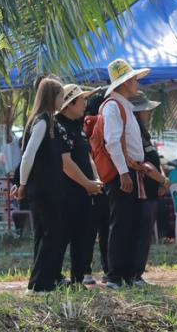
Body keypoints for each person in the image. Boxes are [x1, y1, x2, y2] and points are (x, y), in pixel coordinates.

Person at [16, 77, 84, 292]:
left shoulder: (44, 120)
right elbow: (28, 156)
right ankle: (38, 285)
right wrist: (22, 184)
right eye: (60, 96)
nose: (62, 100)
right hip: (44, 189)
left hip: (46, 189)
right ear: (51, 97)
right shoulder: (43, 121)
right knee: (52, 234)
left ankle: (43, 281)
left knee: (44, 235)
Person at [96, 58, 151, 289]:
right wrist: (123, 173)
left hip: (130, 170)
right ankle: (115, 274)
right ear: (125, 82)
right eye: (133, 80)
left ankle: (128, 272)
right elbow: (112, 143)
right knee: (120, 224)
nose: (137, 83)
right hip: (123, 172)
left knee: (131, 223)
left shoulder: (122, 105)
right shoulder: (112, 106)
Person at [56, 84, 101, 286]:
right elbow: (66, 163)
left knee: (83, 236)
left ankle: (78, 277)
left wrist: (95, 180)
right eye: (82, 100)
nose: (86, 104)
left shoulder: (79, 126)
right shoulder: (59, 126)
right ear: (69, 103)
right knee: (62, 237)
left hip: (85, 191)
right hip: (67, 192)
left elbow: (87, 157)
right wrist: (87, 183)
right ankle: (54, 277)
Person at [130, 93, 170, 285]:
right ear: (138, 112)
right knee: (140, 233)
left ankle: (138, 272)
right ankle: (134, 273)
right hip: (143, 191)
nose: (150, 113)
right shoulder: (136, 134)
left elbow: (155, 160)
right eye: (147, 110)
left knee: (145, 234)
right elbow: (144, 164)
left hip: (152, 191)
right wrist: (162, 180)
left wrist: (162, 180)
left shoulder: (143, 133)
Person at [83, 90, 111, 281]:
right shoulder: (104, 123)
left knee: (89, 232)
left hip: (89, 184)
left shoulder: (82, 126)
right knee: (106, 230)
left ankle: (85, 271)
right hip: (106, 181)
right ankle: (108, 270)